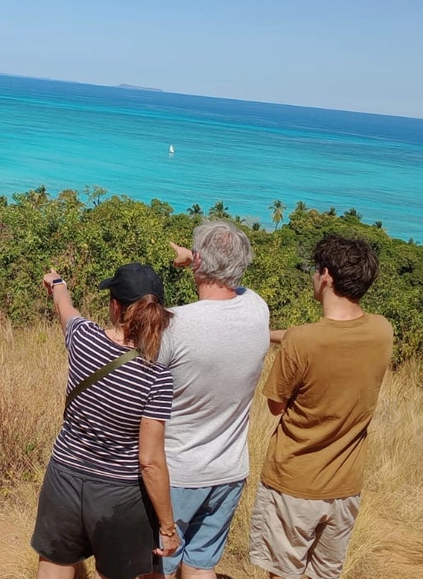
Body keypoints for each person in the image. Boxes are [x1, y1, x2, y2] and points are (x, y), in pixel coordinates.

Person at [249, 235, 393, 579]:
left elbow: (274, 405)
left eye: (315, 270)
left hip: (295, 484)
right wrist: (270, 334)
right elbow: (322, 336)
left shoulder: (304, 341)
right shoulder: (382, 330)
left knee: (282, 573)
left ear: (326, 275)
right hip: (345, 487)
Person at [32, 263, 180, 579]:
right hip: (120, 495)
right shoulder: (157, 378)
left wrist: (57, 282)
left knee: (54, 565)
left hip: (63, 478)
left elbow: (64, 305)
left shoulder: (82, 338)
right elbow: (150, 462)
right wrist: (167, 526)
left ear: (115, 306)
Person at [160, 222, 269, 579]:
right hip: (229, 471)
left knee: (158, 565)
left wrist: (195, 258)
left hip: (177, 472)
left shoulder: (174, 325)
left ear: (201, 261)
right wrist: (198, 258)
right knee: (202, 562)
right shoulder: (257, 309)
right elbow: (229, 283)